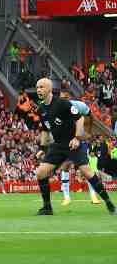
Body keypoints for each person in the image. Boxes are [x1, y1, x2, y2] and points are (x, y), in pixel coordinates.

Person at [31, 78, 115, 215]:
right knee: (40, 173)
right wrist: (42, 149)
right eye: (37, 87)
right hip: (58, 145)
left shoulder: (62, 103)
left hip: (72, 143)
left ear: (49, 89)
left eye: (41, 87)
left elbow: (80, 118)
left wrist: (77, 137)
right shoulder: (41, 109)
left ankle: (109, 203)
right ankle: (47, 207)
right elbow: (45, 131)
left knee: (87, 172)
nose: (38, 90)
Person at [55, 91, 101, 206]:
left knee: (85, 169)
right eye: (61, 98)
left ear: (69, 98)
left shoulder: (79, 106)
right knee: (65, 166)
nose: (63, 100)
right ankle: (66, 197)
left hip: (79, 138)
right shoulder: (57, 109)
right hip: (66, 140)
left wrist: (89, 132)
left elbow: (90, 116)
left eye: (65, 97)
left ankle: (93, 196)